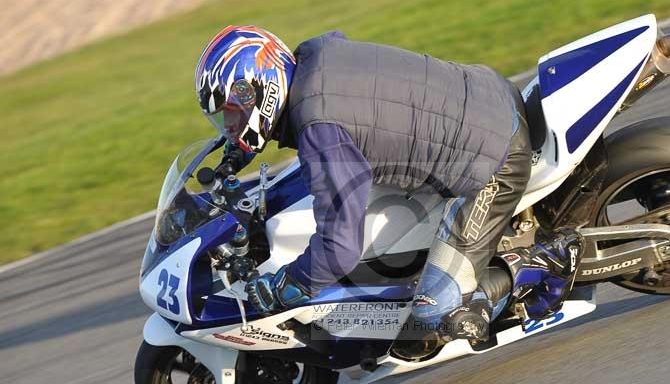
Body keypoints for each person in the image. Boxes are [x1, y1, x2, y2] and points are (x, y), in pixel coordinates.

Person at [195, 25, 583, 344]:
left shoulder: (320, 129)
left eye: (231, 115)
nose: (230, 128)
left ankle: (546, 261)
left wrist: (290, 283)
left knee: (436, 311)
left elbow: (340, 247)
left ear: (261, 90)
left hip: (492, 160)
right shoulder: (316, 55)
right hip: (487, 93)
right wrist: (242, 147)